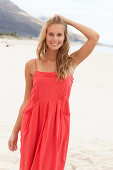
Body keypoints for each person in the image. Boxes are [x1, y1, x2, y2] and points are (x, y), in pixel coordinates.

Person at [8, 14, 99, 170]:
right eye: (51, 34)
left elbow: (94, 37)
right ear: (45, 36)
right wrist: (15, 132)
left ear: (64, 38)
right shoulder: (32, 65)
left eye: (59, 34)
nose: (55, 39)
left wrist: (68, 21)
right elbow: (26, 101)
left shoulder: (71, 62)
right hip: (32, 123)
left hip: (57, 125)